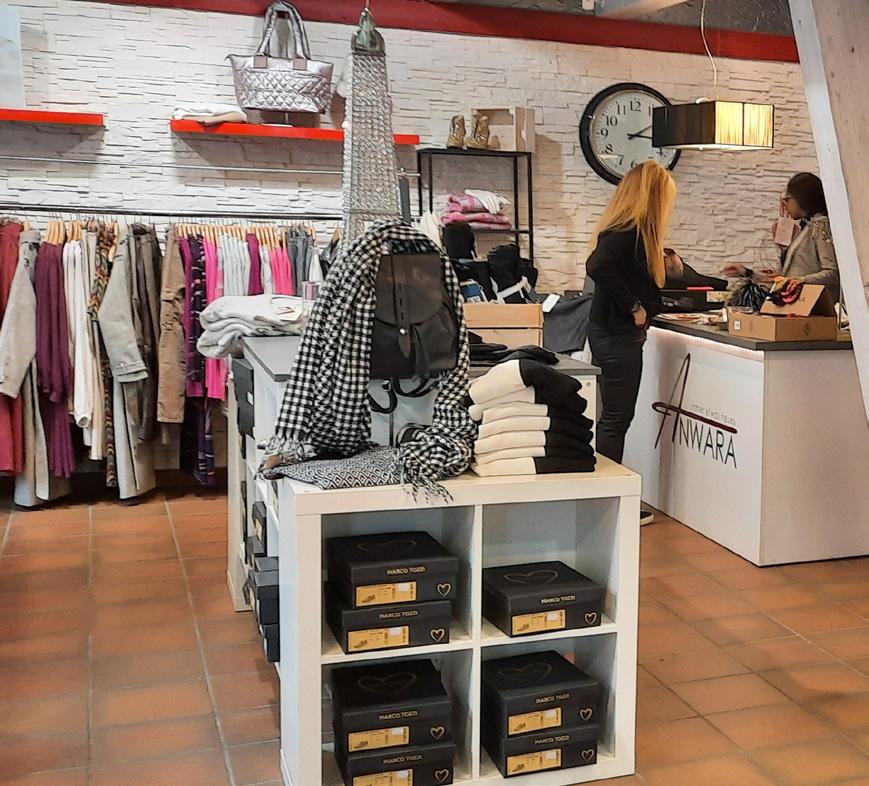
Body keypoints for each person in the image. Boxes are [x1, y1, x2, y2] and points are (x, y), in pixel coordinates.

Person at [586, 160, 677, 524]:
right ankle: (609, 504)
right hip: (616, 337)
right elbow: (597, 266)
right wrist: (634, 306)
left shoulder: (626, 232)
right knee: (615, 420)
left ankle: (605, 499)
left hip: (610, 335)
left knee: (612, 419)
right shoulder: (628, 233)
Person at [722, 172, 839, 301]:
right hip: (799, 305)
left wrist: (799, 280)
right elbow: (783, 281)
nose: (785, 204)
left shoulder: (820, 225)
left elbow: (832, 273)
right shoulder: (809, 227)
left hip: (809, 306)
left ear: (801, 198)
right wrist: (746, 272)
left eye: (787, 198)